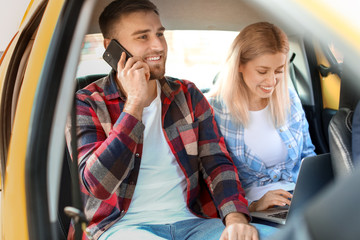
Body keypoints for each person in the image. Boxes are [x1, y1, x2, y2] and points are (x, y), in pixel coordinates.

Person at [66, 1, 276, 239]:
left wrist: (236, 219)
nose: (158, 45)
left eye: (160, 34)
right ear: (111, 48)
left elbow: (216, 164)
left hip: (194, 223)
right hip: (120, 228)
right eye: (142, 37)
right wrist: (134, 103)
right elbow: (97, 185)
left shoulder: (187, 94)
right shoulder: (86, 103)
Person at [207, 22, 316, 214]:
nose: (272, 81)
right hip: (251, 208)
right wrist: (253, 206)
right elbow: (214, 178)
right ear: (239, 65)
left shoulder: (289, 98)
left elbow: (308, 155)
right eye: (262, 71)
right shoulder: (214, 109)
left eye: (279, 70)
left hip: (299, 199)